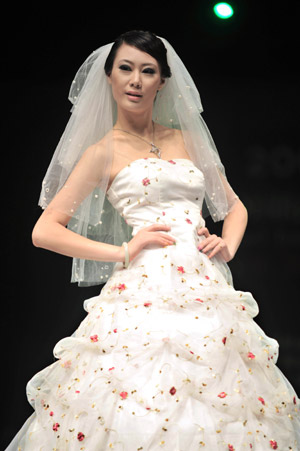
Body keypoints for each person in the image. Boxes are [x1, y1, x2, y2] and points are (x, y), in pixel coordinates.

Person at [6, 30, 299, 450]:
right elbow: (44, 230)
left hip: (205, 287)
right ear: (109, 77)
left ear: (162, 81)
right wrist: (123, 250)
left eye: (148, 71)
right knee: (136, 401)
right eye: (125, 69)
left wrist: (228, 245)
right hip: (143, 288)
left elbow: (234, 206)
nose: (136, 80)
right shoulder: (102, 151)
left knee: (223, 399)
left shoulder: (186, 138)